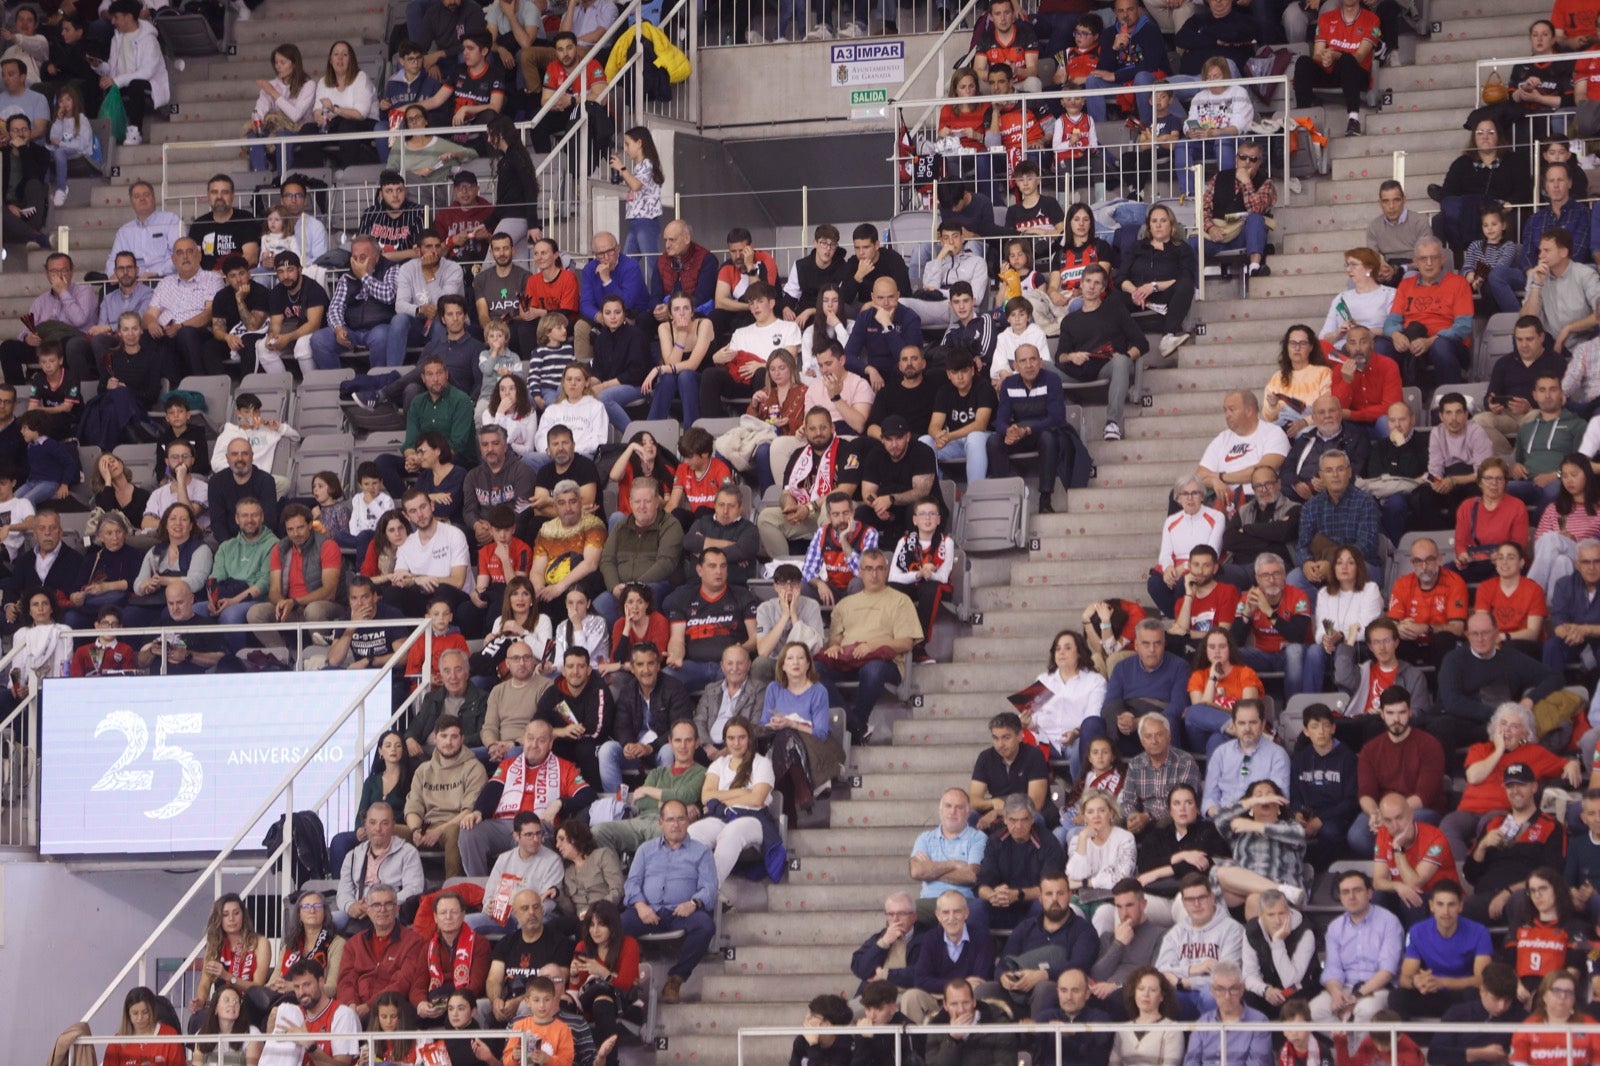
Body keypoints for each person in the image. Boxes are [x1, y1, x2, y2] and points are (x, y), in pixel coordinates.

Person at [460, 719, 596, 876]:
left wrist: (560, 803)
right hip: (504, 824)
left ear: (551, 743)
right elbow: (492, 790)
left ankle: (519, 891)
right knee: (469, 830)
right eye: (530, 738)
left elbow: (588, 795)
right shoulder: (508, 764)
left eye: (542, 740)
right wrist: (478, 811)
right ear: (523, 739)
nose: (534, 745)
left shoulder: (564, 767)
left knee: (524, 836)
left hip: (539, 826)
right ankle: (480, 887)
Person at [618, 799, 717, 1005]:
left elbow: (709, 888)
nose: (676, 824)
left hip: (681, 912)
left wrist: (693, 903)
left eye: (681, 819)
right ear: (661, 822)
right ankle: (628, 982)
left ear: (688, 821)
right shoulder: (645, 850)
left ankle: (675, 979)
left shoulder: (702, 852)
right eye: (670, 819)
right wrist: (640, 905)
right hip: (647, 910)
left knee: (705, 925)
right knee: (618, 925)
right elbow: (632, 883)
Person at [1463, 763, 1569, 925]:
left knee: (1519, 901)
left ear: (1534, 787)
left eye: (1521, 785)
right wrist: (1482, 846)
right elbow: (1471, 875)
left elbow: (1553, 874)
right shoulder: (1493, 823)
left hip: (1527, 896)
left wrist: (1508, 893)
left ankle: (1513, 948)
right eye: (1510, 786)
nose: (1515, 791)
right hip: (1486, 895)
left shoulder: (1551, 826)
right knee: (1457, 907)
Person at [1309, 869, 1402, 1031]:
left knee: (1364, 1010)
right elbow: (1332, 969)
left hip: (1378, 988)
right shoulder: (1335, 927)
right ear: (1340, 897)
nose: (1351, 896)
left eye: (1357, 890)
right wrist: (1337, 993)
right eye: (1345, 892)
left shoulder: (1389, 921)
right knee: (1315, 1010)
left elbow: (1388, 971)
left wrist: (1356, 996)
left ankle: (1356, 1054)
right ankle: (1345, 1047)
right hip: (1344, 987)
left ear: (1369, 893)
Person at [1377, 236, 1475, 391]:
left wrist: (1430, 341)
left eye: (1433, 258)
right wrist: (1396, 336)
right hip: (1412, 341)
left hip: (1447, 344)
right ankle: (1392, 403)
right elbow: (1391, 322)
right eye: (1423, 259)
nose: (1429, 263)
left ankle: (1451, 398)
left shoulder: (1458, 283)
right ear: (1415, 262)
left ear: (1442, 259)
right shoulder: (1406, 284)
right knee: (1380, 347)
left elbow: (1463, 327)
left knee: (1440, 346)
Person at [1156, 874, 1246, 1018]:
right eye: (1190, 900)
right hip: (1181, 991)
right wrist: (1196, 969)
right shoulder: (1176, 933)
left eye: (1202, 897)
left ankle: (1214, 1040)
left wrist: (1185, 982)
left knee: (1214, 995)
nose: (1196, 904)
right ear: (1184, 903)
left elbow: (1228, 977)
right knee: (1162, 998)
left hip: (1212, 991)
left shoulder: (1233, 930)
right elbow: (1162, 971)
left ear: (1212, 897)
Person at [1201, 699, 1288, 818]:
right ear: (1234, 725)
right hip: (1223, 821)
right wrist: (1221, 817)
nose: (1247, 728)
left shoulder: (1277, 755)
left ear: (1263, 724)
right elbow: (1209, 798)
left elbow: (1278, 800)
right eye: (1241, 723)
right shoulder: (1221, 753)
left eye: (1253, 722)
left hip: (1258, 822)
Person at [1508, 969, 1600, 1066]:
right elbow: (1518, 1062)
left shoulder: (1589, 1025)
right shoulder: (1527, 1027)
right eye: (1556, 991)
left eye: (1569, 992)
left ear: (1574, 998)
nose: (1563, 996)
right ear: (1544, 995)